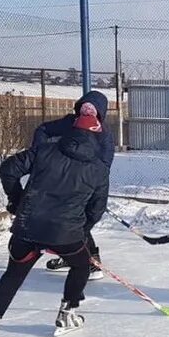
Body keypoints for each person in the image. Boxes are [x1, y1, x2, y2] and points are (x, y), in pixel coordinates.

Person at [0, 107, 110, 337]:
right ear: (96, 136)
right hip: (65, 234)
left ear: (73, 130)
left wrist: (17, 200)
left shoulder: (45, 150)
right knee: (81, 265)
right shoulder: (99, 169)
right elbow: (97, 210)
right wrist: (81, 227)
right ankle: (68, 311)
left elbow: (8, 168)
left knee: (13, 274)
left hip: (27, 228)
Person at [33, 90, 114, 280]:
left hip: (84, 183)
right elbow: (42, 130)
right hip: (63, 179)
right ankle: (69, 257)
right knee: (64, 220)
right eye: (84, 108)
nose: (87, 113)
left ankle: (91, 261)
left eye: (92, 110)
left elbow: (104, 166)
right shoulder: (70, 122)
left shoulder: (103, 134)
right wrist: (41, 155)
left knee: (78, 222)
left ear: (100, 113)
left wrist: (94, 185)